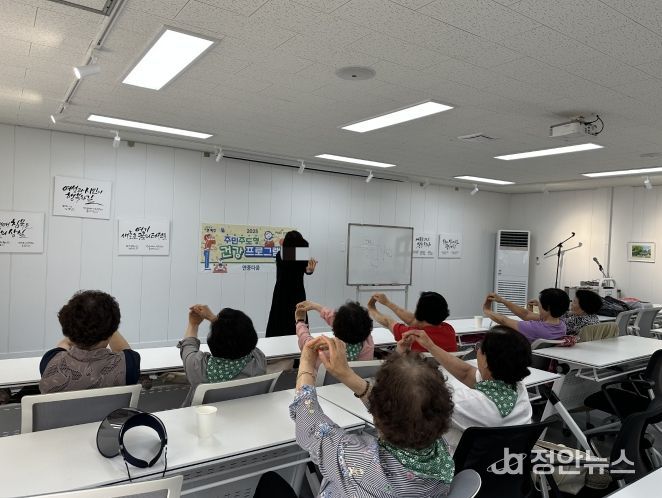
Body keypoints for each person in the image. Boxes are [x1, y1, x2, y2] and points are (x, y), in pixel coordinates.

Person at [264, 335, 454, 498]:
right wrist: (346, 374)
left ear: (379, 413)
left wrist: (306, 362)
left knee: (269, 483)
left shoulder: (352, 457)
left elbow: (307, 418)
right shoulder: (442, 453)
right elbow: (404, 410)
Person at [403, 326, 533, 453]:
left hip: (466, 464)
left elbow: (414, 391)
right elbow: (466, 373)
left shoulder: (462, 403)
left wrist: (404, 358)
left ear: (486, 361)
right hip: (510, 461)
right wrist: (430, 346)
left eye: (480, 347)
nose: (477, 351)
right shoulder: (519, 389)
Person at [39, 290, 140, 394]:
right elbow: (122, 349)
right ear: (112, 331)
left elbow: (64, 344)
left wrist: (77, 327)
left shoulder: (50, 362)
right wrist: (108, 323)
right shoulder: (129, 365)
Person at [178, 304, 266, 406]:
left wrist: (193, 324)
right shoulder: (259, 360)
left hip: (205, 416)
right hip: (244, 413)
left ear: (212, 342)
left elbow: (188, 344)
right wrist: (214, 319)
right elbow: (242, 338)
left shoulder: (197, 367)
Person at [265, 230, 317, 337]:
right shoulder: (287, 255)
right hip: (295, 292)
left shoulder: (283, 254)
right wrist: (308, 269)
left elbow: (305, 269)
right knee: (298, 317)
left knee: (280, 319)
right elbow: (303, 266)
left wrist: (309, 270)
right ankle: (301, 337)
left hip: (284, 292)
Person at [368, 291, 457, 352]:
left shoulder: (411, 335)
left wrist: (371, 307)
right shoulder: (449, 329)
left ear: (419, 313)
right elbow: (413, 320)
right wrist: (387, 303)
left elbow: (388, 321)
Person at [295, 299, 374, 364]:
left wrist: (300, 321)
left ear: (336, 327)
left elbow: (306, 343)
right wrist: (316, 307)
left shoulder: (324, 350)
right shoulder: (368, 343)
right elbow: (350, 324)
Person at [483, 288, 570, 342]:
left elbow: (503, 320)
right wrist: (502, 301)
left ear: (548, 307)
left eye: (540, 303)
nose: (538, 305)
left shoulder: (535, 328)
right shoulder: (562, 326)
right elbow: (526, 314)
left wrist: (486, 310)